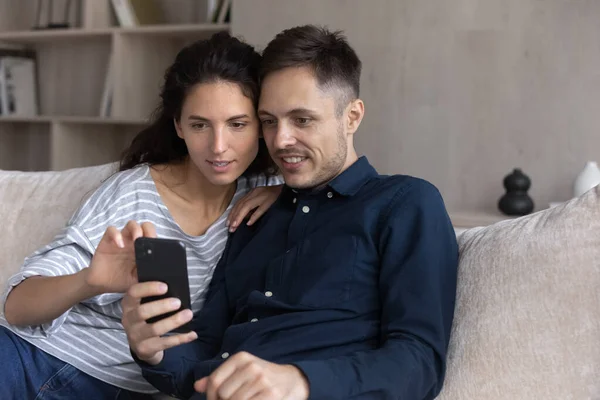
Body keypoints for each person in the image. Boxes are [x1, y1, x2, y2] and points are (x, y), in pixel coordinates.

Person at [122, 25, 459, 400]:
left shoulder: (405, 203)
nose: (280, 140)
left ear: (351, 117)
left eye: (302, 120)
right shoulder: (255, 215)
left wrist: (300, 381)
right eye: (269, 121)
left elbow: (419, 362)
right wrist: (153, 350)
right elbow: (203, 352)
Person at [0, 32, 283, 399]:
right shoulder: (133, 193)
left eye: (237, 124)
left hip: (128, 383)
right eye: (200, 125)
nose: (218, 146)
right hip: (35, 360)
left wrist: (283, 190)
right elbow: (17, 306)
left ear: (261, 125)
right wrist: (90, 281)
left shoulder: (266, 192)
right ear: (179, 126)